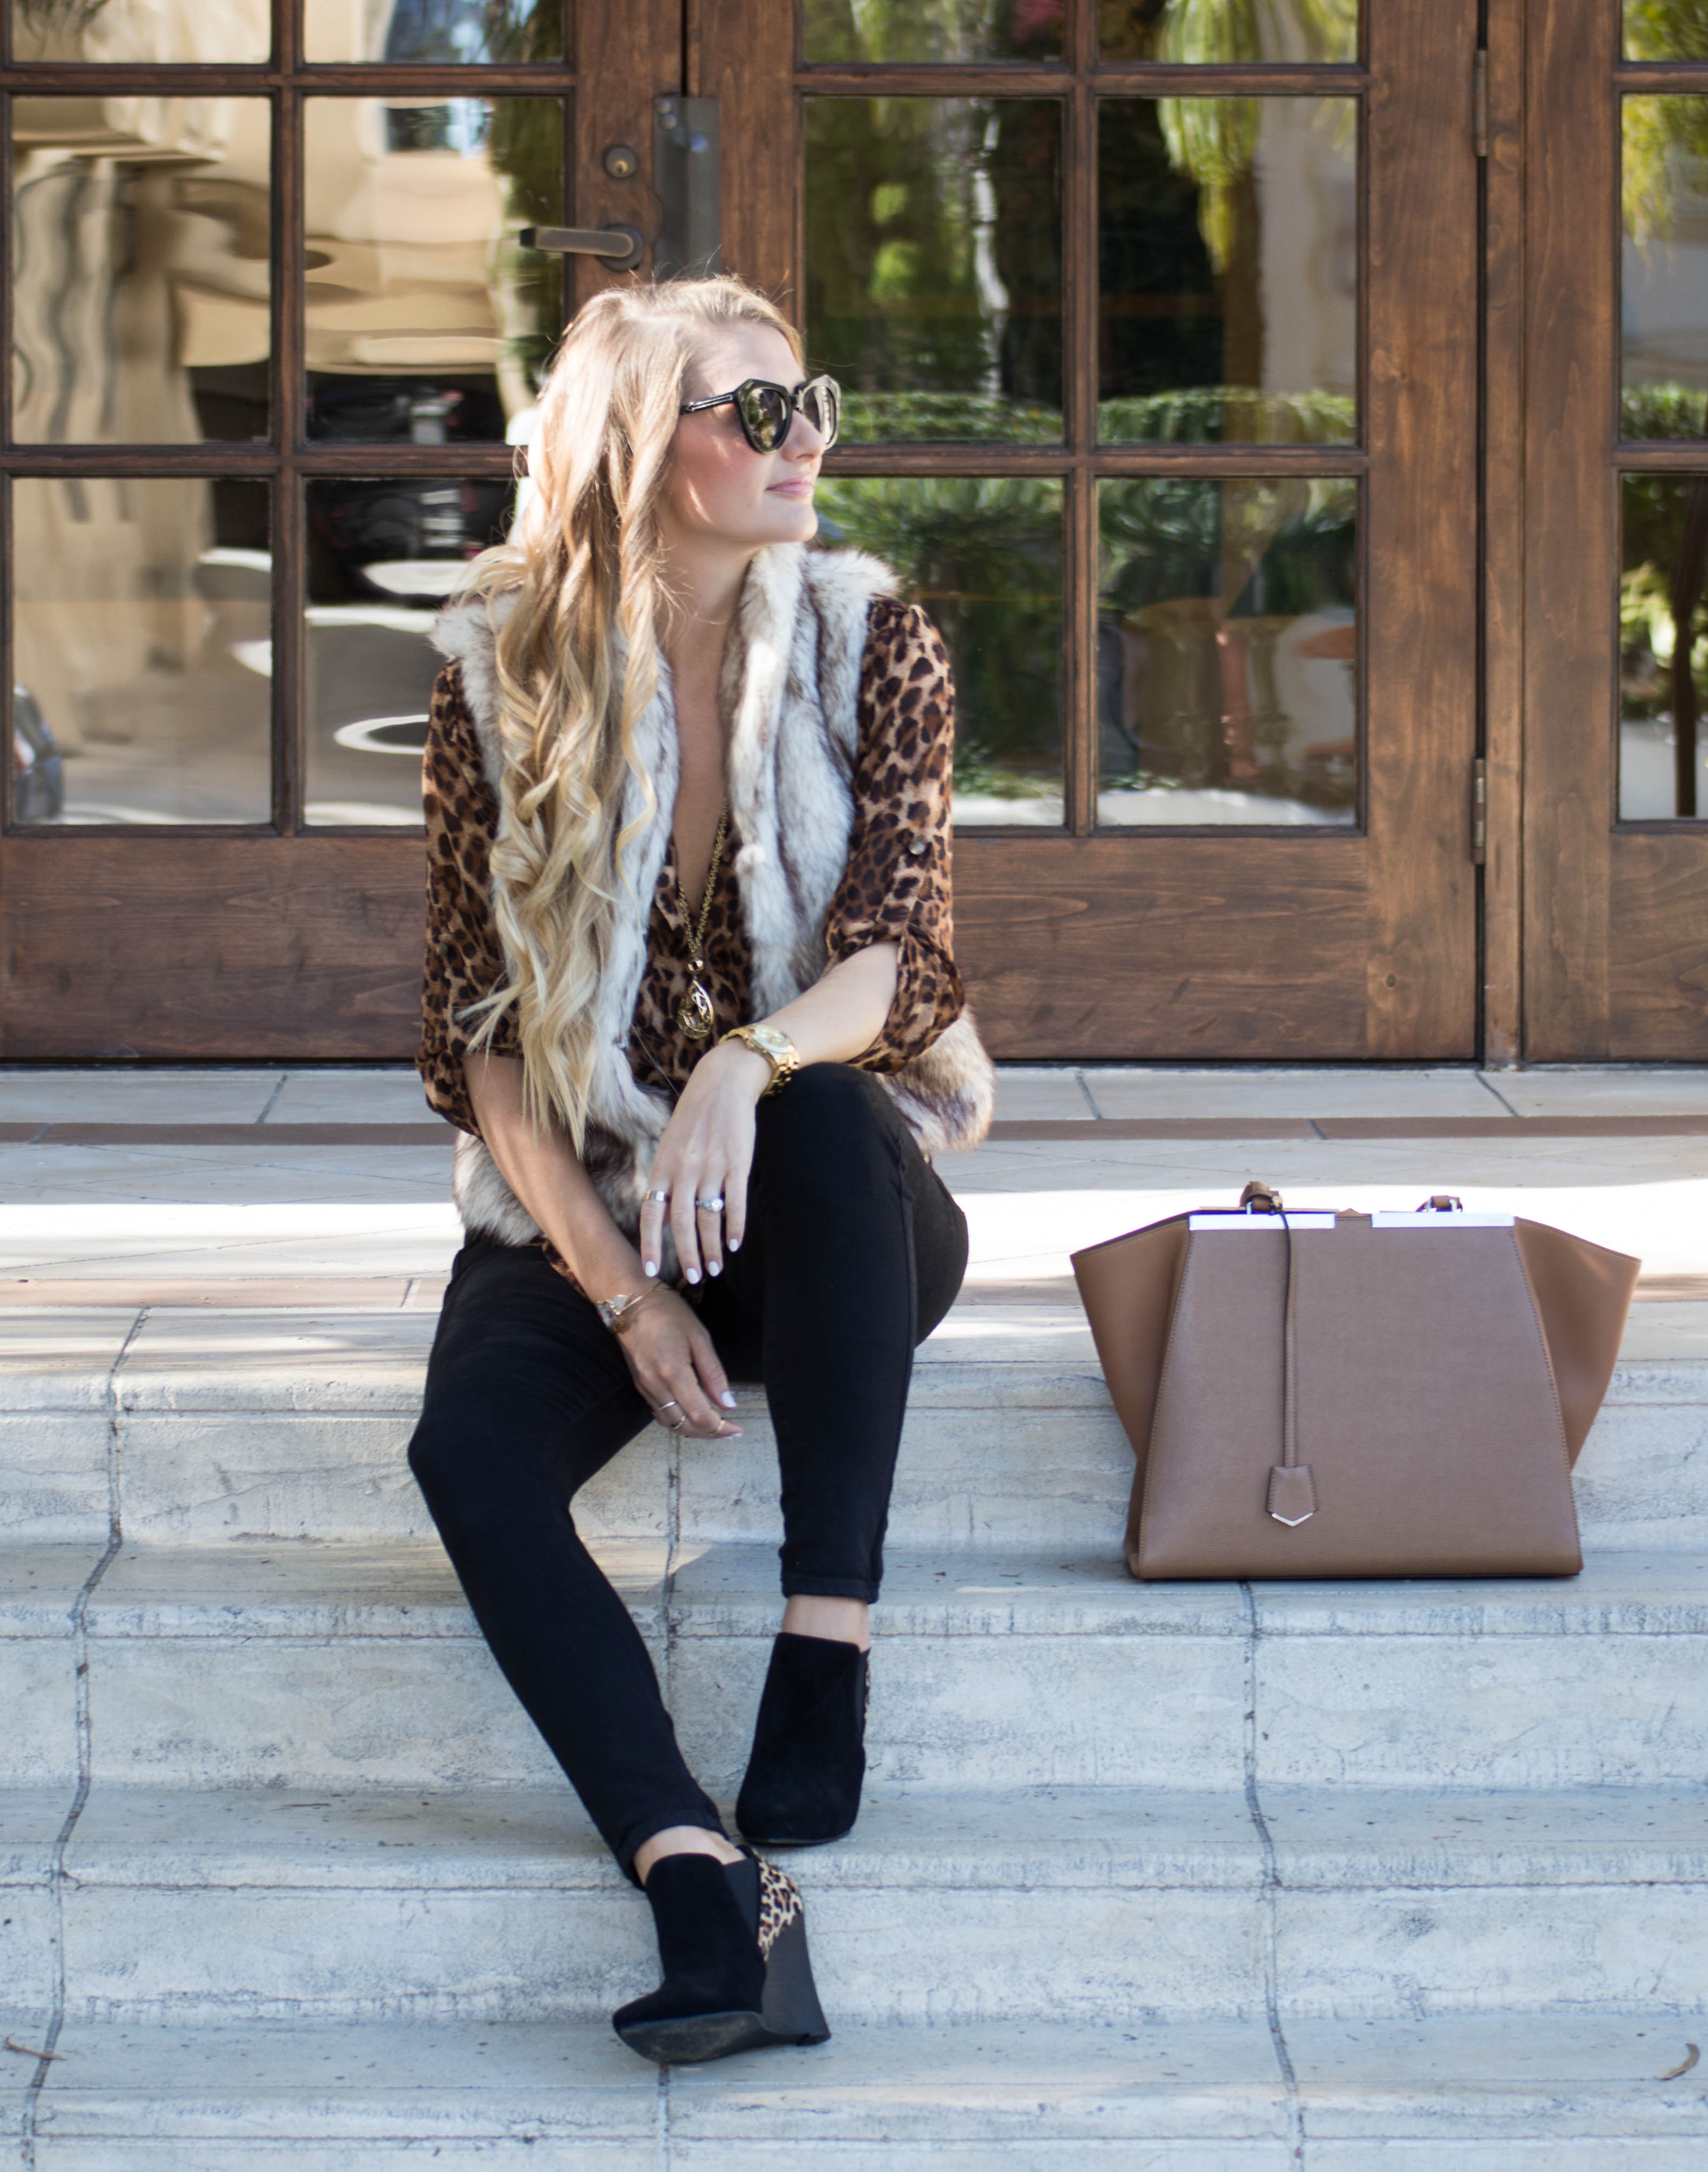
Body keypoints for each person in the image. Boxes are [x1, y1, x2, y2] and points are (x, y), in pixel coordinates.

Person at [409, 275, 991, 2067]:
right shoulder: (501, 668)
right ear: (646, 451)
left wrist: (750, 1059)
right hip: (601, 1195)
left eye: (808, 402)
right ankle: (694, 1875)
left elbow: (901, 955)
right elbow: (480, 1032)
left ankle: (829, 1644)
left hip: (838, 1209)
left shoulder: (869, 639)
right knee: (467, 1449)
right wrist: (617, 1284)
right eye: (756, 413)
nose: (804, 440)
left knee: (819, 1106)